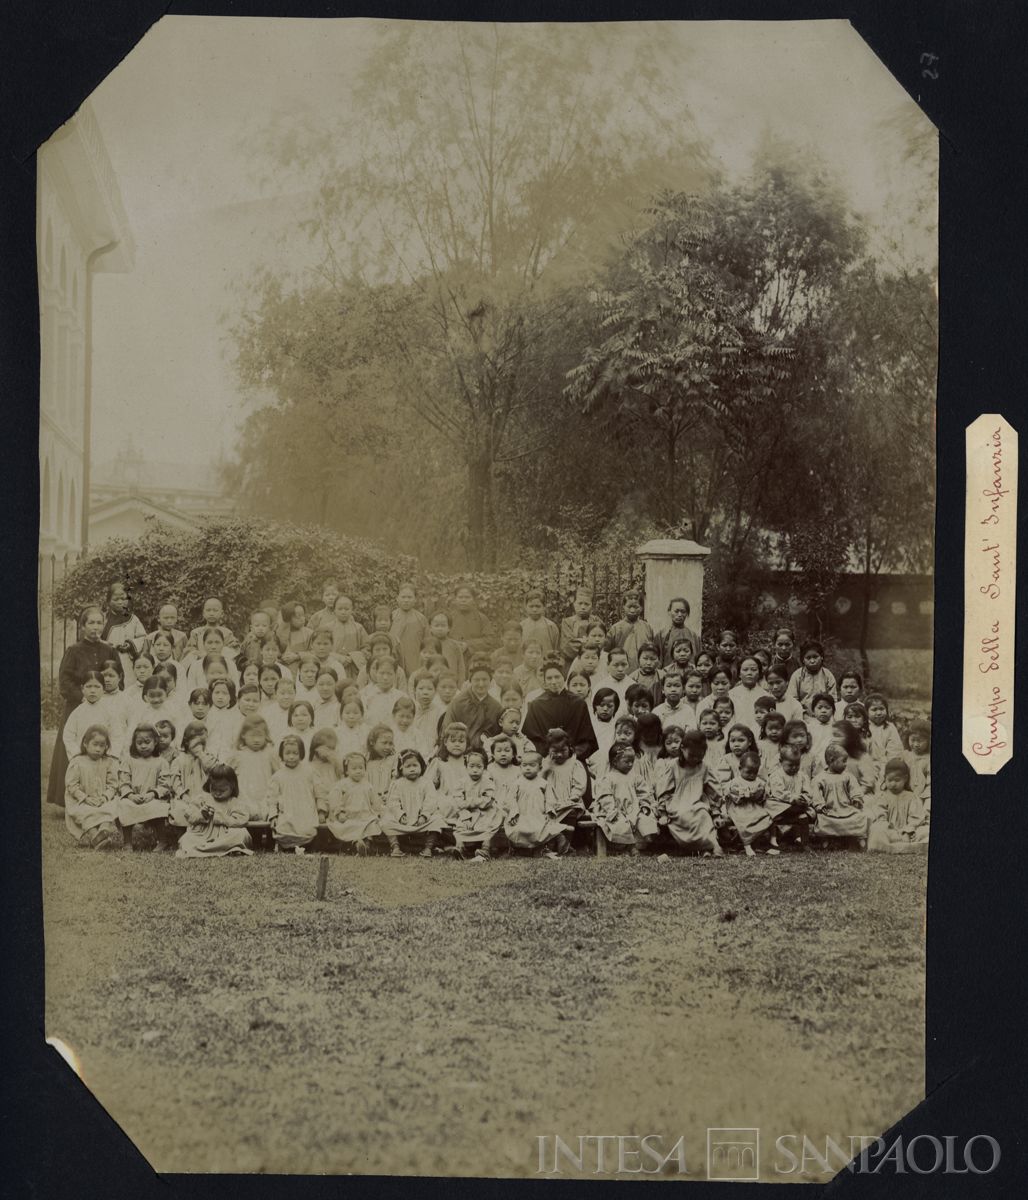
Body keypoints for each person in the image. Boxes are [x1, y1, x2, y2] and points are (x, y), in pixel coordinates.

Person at [48, 605, 124, 807]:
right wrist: (82, 697)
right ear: (83, 626)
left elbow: (118, 676)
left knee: (101, 748)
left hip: (105, 707)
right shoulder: (74, 650)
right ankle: (70, 797)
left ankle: (102, 793)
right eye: (91, 622)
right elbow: (65, 681)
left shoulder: (109, 649)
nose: (96, 627)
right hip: (78, 707)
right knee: (75, 747)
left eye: (99, 622)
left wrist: (106, 698)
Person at [655, 729, 723, 856]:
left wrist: (716, 813)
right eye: (692, 755)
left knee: (702, 814)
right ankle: (701, 848)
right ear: (682, 748)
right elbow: (664, 790)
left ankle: (713, 846)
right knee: (684, 815)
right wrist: (663, 812)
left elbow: (713, 791)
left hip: (698, 801)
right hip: (677, 803)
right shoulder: (673, 765)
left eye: (700, 756)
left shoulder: (705, 767)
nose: (695, 759)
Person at [522, 659, 598, 762]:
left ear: (564, 678)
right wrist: (548, 754)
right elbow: (532, 739)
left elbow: (587, 740)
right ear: (544, 681)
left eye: (557, 677)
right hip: (546, 760)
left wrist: (571, 754)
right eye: (549, 678)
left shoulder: (578, 704)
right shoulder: (536, 705)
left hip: (574, 759)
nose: (553, 682)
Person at [592, 743, 659, 855]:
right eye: (626, 761)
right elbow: (605, 796)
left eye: (632, 761)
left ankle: (642, 844)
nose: (630, 764)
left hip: (633, 808)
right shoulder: (608, 779)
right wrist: (612, 810)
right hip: (616, 810)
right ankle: (627, 847)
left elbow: (644, 793)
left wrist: (644, 805)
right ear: (614, 762)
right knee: (620, 824)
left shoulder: (635, 777)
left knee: (643, 818)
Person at [503, 750, 571, 857]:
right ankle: (518, 849)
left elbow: (549, 799)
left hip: (538, 814)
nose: (528, 768)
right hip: (522, 815)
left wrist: (549, 811)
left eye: (532, 765)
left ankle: (548, 848)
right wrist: (514, 813)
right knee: (518, 829)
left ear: (540, 768)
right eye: (524, 765)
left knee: (543, 828)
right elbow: (511, 800)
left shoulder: (543, 783)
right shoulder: (517, 783)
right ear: (520, 767)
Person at [175, 764, 253, 858]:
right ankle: (225, 849)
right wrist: (201, 815)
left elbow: (242, 820)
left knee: (242, 834)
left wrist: (222, 818)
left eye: (222, 790)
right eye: (214, 789)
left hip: (224, 835)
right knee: (187, 838)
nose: (217, 793)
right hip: (202, 835)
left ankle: (205, 849)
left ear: (232, 787)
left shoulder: (235, 802)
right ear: (209, 785)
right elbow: (189, 815)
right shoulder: (203, 798)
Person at [116, 722, 173, 850]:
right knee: (125, 806)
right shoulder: (128, 761)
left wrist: (152, 794)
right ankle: (127, 842)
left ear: (155, 742)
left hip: (153, 798)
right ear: (134, 743)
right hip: (133, 798)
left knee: (158, 807)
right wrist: (130, 795)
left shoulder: (161, 762)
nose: (143, 746)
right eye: (139, 742)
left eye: (147, 742)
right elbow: (123, 782)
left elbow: (165, 784)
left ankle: (162, 841)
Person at [63, 725, 122, 849]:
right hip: (82, 800)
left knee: (113, 805)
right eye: (95, 744)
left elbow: (113, 784)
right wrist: (85, 798)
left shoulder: (108, 762)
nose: (98, 749)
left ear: (106, 746)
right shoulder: (77, 762)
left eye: (102, 746)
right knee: (86, 812)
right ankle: (95, 835)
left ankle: (104, 830)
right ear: (85, 743)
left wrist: (105, 797)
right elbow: (71, 785)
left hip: (102, 798)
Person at [380, 749, 446, 857]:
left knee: (437, 820)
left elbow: (431, 801)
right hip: (402, 821)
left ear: (421, 766)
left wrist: (424, 816)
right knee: (385, 821)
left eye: (415, 765)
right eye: (408, 766)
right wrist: (400, 815)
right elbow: (393, 802)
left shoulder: (426, 783)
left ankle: (428, 848)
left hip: (422, 821)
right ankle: (395, 847)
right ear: (401, 768)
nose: (412, 769)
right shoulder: (397, 784)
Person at [266, 735, 320, 853]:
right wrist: (273, 815)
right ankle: (285, 845)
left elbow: (318, 792)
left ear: (301, 753)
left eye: (295, 753)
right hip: (287, 811)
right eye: (288, 753)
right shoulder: (278, 776)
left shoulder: (309, 772)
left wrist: (321, 810)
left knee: (307, 828)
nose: (291, 757)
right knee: (284, 827)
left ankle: (307, 845)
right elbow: (272, 798)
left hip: (305, 809)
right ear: (282, 755)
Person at [451, 749, 504, 860]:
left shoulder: (488, 782)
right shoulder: (462, 782)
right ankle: (460, 848)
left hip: (485, 812)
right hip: (467, 812)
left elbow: (487, 801)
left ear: (484, 768)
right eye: (472, 766)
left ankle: (485, 849)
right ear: (466, 767)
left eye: (479, 767)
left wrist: (468, 802)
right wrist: (465, 815)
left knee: (489, 826)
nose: (475, 770)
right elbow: (458, 800)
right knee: (460, 826)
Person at [325, 752, 382, 853]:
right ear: (347, 771)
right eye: (354, 769)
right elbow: (335, 800)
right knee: (348, 827)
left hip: (365, 816)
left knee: (371, 825)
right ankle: (356, 844)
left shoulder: (368, 785)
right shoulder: (342, 785)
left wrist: (378, 812)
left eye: (361, 768)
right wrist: (339, 813)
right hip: (348, 816)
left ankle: (367, 845)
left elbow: (375, 801)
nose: (358, 771)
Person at [227, 715, 281, 822]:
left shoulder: (270, 754)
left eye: (260, 735)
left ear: (266, 735)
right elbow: (227, 774)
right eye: (252, 736)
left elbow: (279, 775)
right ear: (243, 735)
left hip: (265, 796)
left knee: (267, 822)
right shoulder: (238, 755)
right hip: (245, 796)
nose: (256, 740)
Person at [867, 758, 928, 851]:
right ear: (885, 778)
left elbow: (916, 817)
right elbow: (880, 815)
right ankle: (897, 845)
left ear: (905, 778)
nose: (893, 784)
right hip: (890, 833)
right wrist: (888, 828)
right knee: (876, 829)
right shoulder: (883, 796)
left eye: (897, 780)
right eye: (889, 780)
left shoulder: (911, 797)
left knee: (925, 831)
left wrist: (908, 831)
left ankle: (896, 845)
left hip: (909, 833)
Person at [811, 744, 868, 844]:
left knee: (860, 816)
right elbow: (815, 794)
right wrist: (820, 805)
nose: (846, 764)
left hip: (847, 809)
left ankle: (860, 838)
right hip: (829, 811)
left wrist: (856, 799)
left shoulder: (848, 776)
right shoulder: (820, 778)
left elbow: (855, 789)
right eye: (843, 761)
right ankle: (826, 838)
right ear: (832, 760)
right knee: (823, 820)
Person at [722, 749, 775, 857]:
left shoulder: (759, 782)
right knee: (743, 820)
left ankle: (757, 842)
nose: (751, 775)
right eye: (748, 772)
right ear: (740, 769)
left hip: (754, 806)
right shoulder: (735, 782)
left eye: (754, 772)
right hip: (739, 807)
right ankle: (747, 845)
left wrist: (758, 794)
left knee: (765, 816)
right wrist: (739, 795)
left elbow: (764, 795)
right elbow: (727, 793)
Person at [440, 660, 502, 749]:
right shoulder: (458, 703)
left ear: (490, 681)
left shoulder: (496, 707)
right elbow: (447, 730)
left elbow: (499, 734)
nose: (481, 684)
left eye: (484, 680)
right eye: (477, 680)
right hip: (459, 749)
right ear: (470, 681)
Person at [541, 728, 588, 827]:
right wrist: (545, 770)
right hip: (551, 802)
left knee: (570, 812)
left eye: (563, 750)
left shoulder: (574, 764)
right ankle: (553, 839)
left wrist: (572, 798)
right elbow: (539, 783)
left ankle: (566, 838)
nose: (559, 754)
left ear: (570, 748)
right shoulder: (545, 763)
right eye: (555, 751)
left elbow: (579, 785)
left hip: (570, 802)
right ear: (549, 749)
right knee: (544, 813)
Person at [103, 580, 148, 678]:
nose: (120, 602)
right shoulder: (104, 620)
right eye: (116, 599)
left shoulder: (133, 619)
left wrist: (131, 644)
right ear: (108, 601)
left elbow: (143, 638)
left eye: (123, 598)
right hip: (109, 661)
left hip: (129, 661)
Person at [604, 592, 655, 672]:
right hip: (621, 671)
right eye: (629, 607)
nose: (632, 610)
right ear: (623, 607)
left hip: (643, 671)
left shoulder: (647, 628)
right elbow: (606, 652)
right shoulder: (616, 628)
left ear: (641, 608)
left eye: (636, 607)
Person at [786, 641, 838, 714]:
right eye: (808, 658)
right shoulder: (797, 676)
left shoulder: (828, 675)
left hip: (824, 714)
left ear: (821, 657)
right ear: (803, 660)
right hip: (802, 715)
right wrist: (802, 713)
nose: (812, 661)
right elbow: (792, 699)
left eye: (815, 657)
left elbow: (833, 699)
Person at [389, 583, 429, 679]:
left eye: (409, 597)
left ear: (415, 599)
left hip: (415, 660)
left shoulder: (421, 619)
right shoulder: (391, 616)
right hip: (395, 659)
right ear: (397, 598)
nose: (406, 600)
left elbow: (427, 642)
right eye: (403, 597)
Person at [448, 584, 495, 660]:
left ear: (473, 599)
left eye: (467, 597)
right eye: (460, 597)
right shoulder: (448, 617)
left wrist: (468, 644)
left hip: (475, 659)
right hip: (452, 657)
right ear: (455, 599)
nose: (463, 600)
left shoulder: (482, 618)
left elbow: (489, 640)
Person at [322, 594, 370, 659]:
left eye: (346, 609)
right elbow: (321, 647)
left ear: (352, 610)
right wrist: (337, 658)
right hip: (333, 664)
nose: (343, 612)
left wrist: (353, 657)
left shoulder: (359, 628)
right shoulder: (327, 628)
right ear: (334, 610)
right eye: (340, 609)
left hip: (354, 664)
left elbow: (367, 647)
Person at [728, 656, 770, 731]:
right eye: (745, 670)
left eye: (753, 670)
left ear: (759, 673)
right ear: (739, 674)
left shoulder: (766, 696)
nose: (749, 673)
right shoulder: (730, 695)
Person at [656, 597, 701, 667]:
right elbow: (658, 660)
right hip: (669, 675)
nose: (679, 615)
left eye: (683, 611)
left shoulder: (694, 636)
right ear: (669, 612)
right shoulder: (662, 635)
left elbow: (699, 659)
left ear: (687, 613)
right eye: (676, 611)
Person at [865, 694, 904, 766]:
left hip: (887, 764)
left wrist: (888, 765)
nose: (879, 713)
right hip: (868, 765)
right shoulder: (864, 728)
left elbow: (895, 750)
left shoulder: (890, 727)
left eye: (882, 709)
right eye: (874, 710)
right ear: (866, 712)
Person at [519, 591, 560, 659]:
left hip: (546, 664)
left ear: (544, 607)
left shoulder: (551, 626)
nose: (534, 609)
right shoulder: (521, 626)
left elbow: (556, 649)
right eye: (531, 606)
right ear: (525, 607)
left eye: (538, 606)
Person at [365, 724, 398, 807]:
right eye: (384, 743)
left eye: (390, 743)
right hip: (369, 800)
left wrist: (388, 796)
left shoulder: (393, 760)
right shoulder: (366, 761)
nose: (387, 747)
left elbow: (395, 781)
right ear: (372, 742)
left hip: (389, 799)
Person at [559, 588, 594, 666]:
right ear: (574, 603)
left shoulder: (596, 621)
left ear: (592, 605)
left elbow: (600, 642)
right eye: (580, 603)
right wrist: (589, 643)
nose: (583, 607)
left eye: (586, 604)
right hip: (572, 663)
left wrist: (579, 641)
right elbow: (568, 646)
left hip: (592, 662)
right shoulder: (567, 622)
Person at [275, 601, 313, 667]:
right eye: (298, 616)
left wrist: (297, 656)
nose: (302, 619)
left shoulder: (309, 633)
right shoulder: (278, 633)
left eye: (303, 615)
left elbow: (316, 652)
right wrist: (281, 657)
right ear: (288, 617)